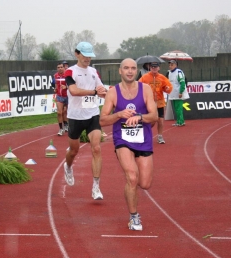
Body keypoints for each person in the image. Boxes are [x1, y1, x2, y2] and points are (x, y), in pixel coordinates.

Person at [100, 58, 158, 230]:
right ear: (120, 71)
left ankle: (131, 190)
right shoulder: (113, 93)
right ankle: (134, 217)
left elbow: (154, 116)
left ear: (137, 71)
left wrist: (139, 117)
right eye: (126, 68)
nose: (130, 71)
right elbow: (102, 120)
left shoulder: (146, 89)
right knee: (132, 177)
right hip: (122, 140)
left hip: (143, 139)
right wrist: (119, 115)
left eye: (133, 68)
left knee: (145, 183)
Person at [63, 41, 107, 200]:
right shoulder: (70, 72)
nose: (88, 59)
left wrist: (105, 93)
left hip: (93, 114)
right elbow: (73, 91)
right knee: (74, 151)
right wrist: (94, 92)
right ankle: (68, 166)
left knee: (96, 148)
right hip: (75, 116)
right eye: (85, 55)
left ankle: (96, 187)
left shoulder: (94, 71)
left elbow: (101, 90)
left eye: (90, 56)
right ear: (77, 54)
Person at [138, 62, 173, 144]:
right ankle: (145, 133)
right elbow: (138, 86)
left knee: (160, 120)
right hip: (148, 103)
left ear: (159, 68)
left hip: (159, 103)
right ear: (150, 68)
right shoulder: (145, 77)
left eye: (156, 67)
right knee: (152, 121)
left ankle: (160, 136)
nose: (154, 68)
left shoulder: (162, 78)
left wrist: (167, 88)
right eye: (152, 67)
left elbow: (168, 87)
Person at [166, 60, 188, 127]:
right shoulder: (169, 72)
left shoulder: (179, 72)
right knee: (176, 108)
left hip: (178, 93)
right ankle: (178, 121)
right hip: (173, 93)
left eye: (172, 65)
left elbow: (182, 82)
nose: (170, 66)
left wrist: (181, 91)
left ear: (176, 65)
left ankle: (181, 121)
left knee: (179, 108)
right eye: (169, 65)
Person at [54, 62, 68, 135]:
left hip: (68, 96)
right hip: (60, 96)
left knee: (68, 113)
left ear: (64, 67)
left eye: (61, 67)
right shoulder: (56, 75)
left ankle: (67, 125)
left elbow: (73, 85)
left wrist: (66, 87)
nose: (60, 69)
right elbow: (56, 85)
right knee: (59, 112)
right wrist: (55, 89)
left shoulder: (68, 75)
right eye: (58, 67)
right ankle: (61, 129)